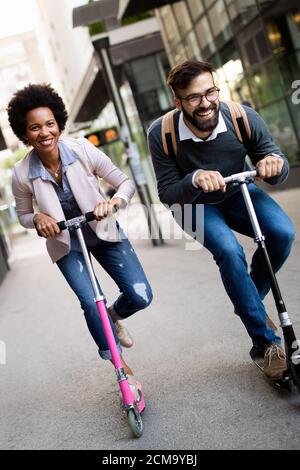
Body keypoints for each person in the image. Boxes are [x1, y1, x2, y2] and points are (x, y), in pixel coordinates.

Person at [148, 60, 295, 380]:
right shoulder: (162, 133)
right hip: (195, 204)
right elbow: (168, 194)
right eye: (194, 97)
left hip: (239, 191)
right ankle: (265, 342)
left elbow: (276, 164)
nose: (206, 103)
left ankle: (248, 303)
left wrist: (274, 163)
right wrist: (195, 179)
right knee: (229, 251)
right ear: (178, 102)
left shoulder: (242, 116)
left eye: (211, 91)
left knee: (282, 232)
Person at [8, 83, 153, 396]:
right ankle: (122, 370)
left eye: (50, 124)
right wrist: (36, 218)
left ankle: (112, 317)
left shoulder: (83, 150)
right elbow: (22, 215)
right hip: (66, 245)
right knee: (90, 302)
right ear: (25, 133)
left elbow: (124, 182)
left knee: (141, 296)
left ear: (59, 124)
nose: (44, 132)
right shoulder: (21, 174)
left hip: (104, 233)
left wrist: (113, 203)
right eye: (35, 127)